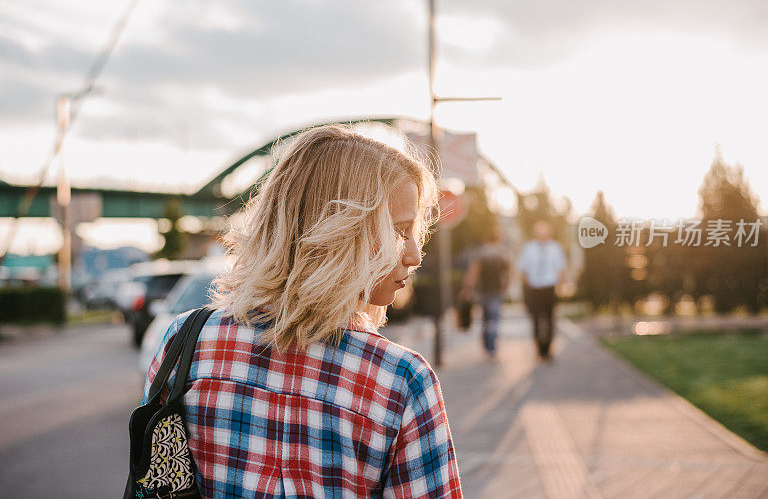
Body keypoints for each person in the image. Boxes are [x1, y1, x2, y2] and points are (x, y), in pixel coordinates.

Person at [142, 125, 463, 498]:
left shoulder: (184, 343)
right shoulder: (401, 382)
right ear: (338, 232)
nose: (414, 254)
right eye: (399, 231)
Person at [517, 219, 568, 360]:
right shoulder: (529, 248)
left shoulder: (555, 248)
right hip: (534, 288)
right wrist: (526, 289)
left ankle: (548, 350)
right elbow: (523, 270)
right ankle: (539, 350)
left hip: (549, 288)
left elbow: (562, 268)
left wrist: (561, 287)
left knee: (550, 319)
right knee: (535, 319)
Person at [458, 226, 510, 360]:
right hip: (497, 291)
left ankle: (487, 346)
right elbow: (508, 273)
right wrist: (505, 287)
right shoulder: (502, 254)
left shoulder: (481, 254)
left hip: (483, 292)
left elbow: (473, 272)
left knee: (486, 319)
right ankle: (492, 347)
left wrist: (467, 288)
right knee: (494, 319)